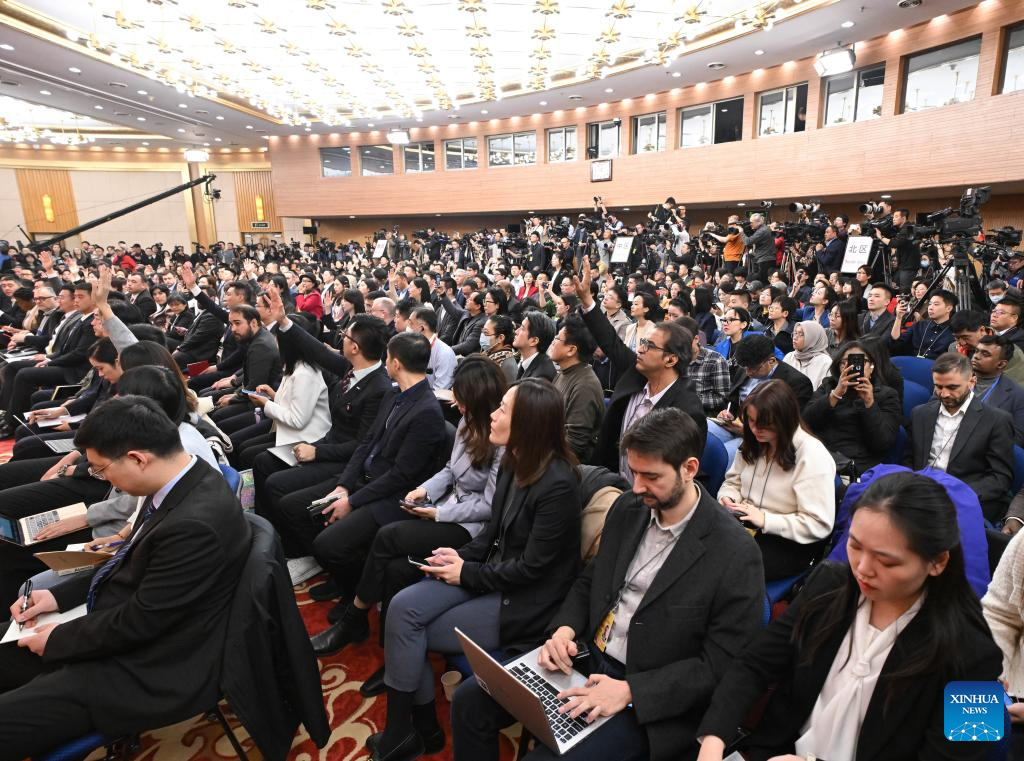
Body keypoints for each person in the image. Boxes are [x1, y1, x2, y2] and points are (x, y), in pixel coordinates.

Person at [452, 408, 765, 761]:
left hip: (646, 694)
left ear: (690, 469)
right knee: (471, 701)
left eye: (651, 476)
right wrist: (565, 630)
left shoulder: (735, 553)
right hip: (586, 657)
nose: (636, 487)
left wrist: (630, 690)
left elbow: (718, 666)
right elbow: (590, 581)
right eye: (633, 472)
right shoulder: (629, 509)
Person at [0, 395, 252, 759]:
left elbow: (142, 622)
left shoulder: (194, 523)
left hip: (143, 670)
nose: (103, 479)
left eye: (102, 470)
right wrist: (59, 598)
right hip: (116, 630)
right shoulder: (180, 480)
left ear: (137, 458)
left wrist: (58, 638)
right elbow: (126, 562)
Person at [697, 471, 1002, 761]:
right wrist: (713, 741)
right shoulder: (828, 585)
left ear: (937, 561)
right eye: (855, 546)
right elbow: (754, 664)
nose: (863, 569)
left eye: (886, 561)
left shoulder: (979, 655)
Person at [369, 379, 581, 761]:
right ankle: (413, 729)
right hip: (491, 572)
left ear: (528, 423)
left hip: (522, 601)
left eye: (502, 410)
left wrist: (466, 572)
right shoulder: (515, 462)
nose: (493, 415)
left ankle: (410, 733)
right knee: (401, 608)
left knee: (414, 628)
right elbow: (492, 535)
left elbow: (532, 569)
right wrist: (457, 555)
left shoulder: (559, 484)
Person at [308, 357, 506, 687]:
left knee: (388, 536)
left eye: (462, 398)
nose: (455, 404)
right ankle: (393, 655)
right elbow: (448, 471)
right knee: (396, 567)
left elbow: (489, 505)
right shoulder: (468, 423)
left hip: (468, 526)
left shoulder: (499, 441)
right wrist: (423, 491)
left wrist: (439, 513)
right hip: (445, 507)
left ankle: (354, 616)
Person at [574, 259, 706, 481]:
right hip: (611, 479)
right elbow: (610, 342)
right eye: (642, 343)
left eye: (649, 346)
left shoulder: (687, 409)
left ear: (671, 359)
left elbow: (676, 476)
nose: (641, 349)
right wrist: (587, 299)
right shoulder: (637, 372)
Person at [718, 380, 836, 580]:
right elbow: (732, 482)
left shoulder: (812, 455)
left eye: (765, 424)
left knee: (721, 566)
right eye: (751, 421)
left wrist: (765, 520)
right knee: (694, 546)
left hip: (787, 541)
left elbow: (819, 524)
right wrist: (728, 497)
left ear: (785, 419)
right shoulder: (755, 442)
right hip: (745, 525)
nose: (755, 430)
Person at [906, 351, 1014, 523]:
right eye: (938, 387)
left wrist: (957, 494)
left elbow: (1000, 478)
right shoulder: (920, 413)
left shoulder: (996, 420)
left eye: (952, 387)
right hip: (920, 491)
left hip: (963, 497)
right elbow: (909, 459)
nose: (944, 394)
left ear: (972, 382)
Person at [232, 312, 331, 469]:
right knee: (244, 447)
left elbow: (297, 420)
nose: (274, 343)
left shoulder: (305, 374)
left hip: (304, 439)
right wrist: (273, 395)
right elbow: (292, 403)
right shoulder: (293, 366)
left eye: (277, 338)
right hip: (288, 431)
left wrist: (266, 404)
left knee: (253, 456)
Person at [803, 341, 902, 476]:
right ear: (838, 366)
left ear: (871, 367)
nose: (851, 367)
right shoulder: (829, 386)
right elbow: (806, 423)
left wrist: (869, 403)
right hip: (822, 458)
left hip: (856, 466)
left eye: (859, 362)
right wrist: (835, 394)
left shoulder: (887, 395)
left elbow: (882, 442)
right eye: (845, 362)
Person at [550, 316, 605, 462]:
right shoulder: (564, 373)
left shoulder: (585, 386)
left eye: (557, 339)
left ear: (571, 350)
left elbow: (574, 444)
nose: (553, 342)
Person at [971, 334, 1024, 445]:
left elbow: (1016, 440)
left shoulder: (1018, 396)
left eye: (985, 354)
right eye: (976, 351)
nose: (976, 356)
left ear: (1001, 364)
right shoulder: (956, 379)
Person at [890, 289, 956, 359]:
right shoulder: (919, 325)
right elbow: (895, 342)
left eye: (936, 304)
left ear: (948, 308)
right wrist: (899, 317)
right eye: (930, 304)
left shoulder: (954, 331)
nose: (930, 307)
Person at [408, 306, 456, 392]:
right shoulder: (412, 346)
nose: (408, 327)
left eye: (411, 323)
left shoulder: (444, 353)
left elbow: (440, 390)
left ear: (422, 328)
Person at [783, 320, 833, 390]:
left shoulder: (825, 362)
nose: (795, 337)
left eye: (801, 334)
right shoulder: (789, 357)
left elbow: (824, 393)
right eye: (795, 333)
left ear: (813, 338)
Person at [512, 311, 557, 381]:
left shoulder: (540, 378)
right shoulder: (527, 361)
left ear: (534, 341)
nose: (516, 331)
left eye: (522, 328)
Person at [479, 314, 518, 383]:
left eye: (486, 333)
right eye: (482, 331)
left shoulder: (507, 365)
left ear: (500, 338)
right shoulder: (489, 355)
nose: (482, 336)